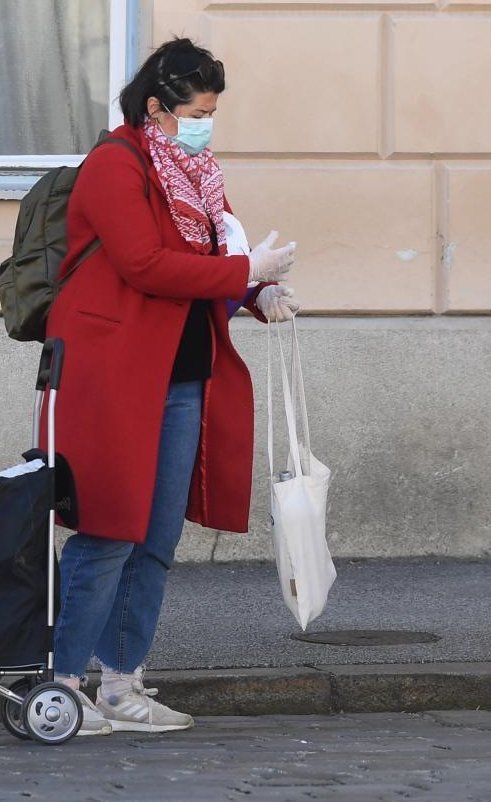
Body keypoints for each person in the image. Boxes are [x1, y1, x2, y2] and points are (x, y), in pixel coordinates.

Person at [44, 38, 300, 736]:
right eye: (197, 112)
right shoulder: (113, 166)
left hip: (182, 374)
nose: (205, 124)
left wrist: (258, 293)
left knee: (154, 537)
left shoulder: (196, 173)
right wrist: (245, 274)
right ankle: (65, 684)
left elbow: (216, 257)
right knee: (106, 530)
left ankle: (122, 685)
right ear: (156, 108)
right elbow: (146, 264)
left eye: (212, 112)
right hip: (116, 374)